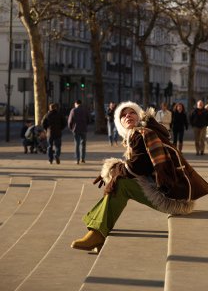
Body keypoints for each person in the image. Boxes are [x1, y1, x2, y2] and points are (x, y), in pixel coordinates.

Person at [71, 101, 195, 253]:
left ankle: (97, 234)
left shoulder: (142, 133)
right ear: (120, 123)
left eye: (132, 112)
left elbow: (136, 167)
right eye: (123, 115)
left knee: (121, 185)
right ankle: (97, 233)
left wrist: (113, 171)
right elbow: (137, 165)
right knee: (120, 182)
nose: (127, 115)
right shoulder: (139, 134)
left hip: (173, 197)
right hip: (175, 192)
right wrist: (113, 170)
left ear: (139, 116)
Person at [68, 100, 90, 164]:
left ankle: (77, 159)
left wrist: (71, 128)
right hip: (84, 129)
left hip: (76, 129)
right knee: (83, 144)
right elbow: (89, 119)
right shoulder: (85, 110)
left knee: (77, 144)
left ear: (76, 103)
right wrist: (86, 125)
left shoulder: (73, 110)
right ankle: (82, 158)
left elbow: (70, 121)